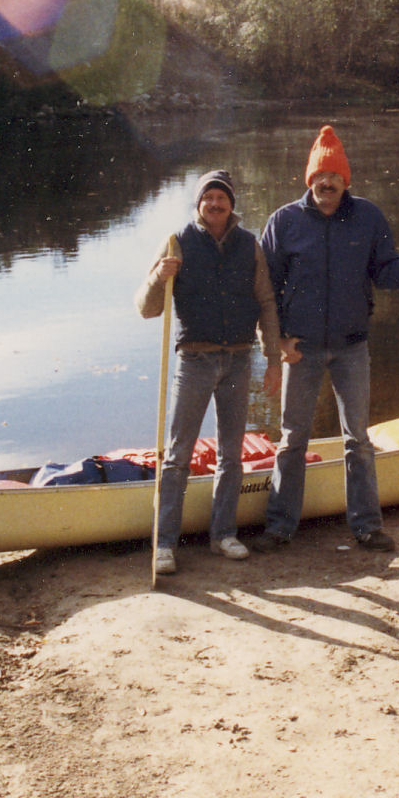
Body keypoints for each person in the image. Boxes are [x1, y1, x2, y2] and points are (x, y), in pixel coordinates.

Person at [250, 125, 399, 553]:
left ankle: (367, 526)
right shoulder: (284, 221)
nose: (325, 184)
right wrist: (277, 344)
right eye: (318, 177)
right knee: (292, 439)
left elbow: (384, 272)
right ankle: (279, 527)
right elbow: (264, 290)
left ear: (345, 181)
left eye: (333, 178)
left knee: (358, 439)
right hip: (301, 348)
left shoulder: (368, 217)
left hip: (352, 346)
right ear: (309, 179)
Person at [136, 169, 291, 575]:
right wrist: (159, 276)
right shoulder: (177, 242)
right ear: (199, 204)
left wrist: (273, 359)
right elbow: (146, 308)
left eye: (222, 199)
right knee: (177, 456)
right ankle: (165, 543)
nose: (215, 204)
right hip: (195, 361)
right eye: (208, 198)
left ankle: (223, 534)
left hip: (239, 359)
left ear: (231, 205)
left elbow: (267, 304)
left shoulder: (249, 245)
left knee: (231, 455)